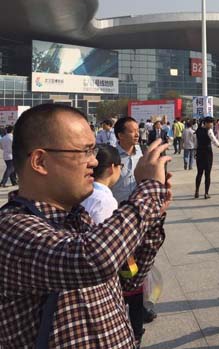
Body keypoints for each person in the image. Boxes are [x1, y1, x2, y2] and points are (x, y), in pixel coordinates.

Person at [0, 104, 171, 348]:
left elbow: (128, 279)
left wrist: (154, 218)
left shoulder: (79, 217)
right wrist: (148, 192)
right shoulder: (11, 229)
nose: (94, 161)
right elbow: (93, 260)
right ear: (40, 161)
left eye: (93, 150)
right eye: (84, 151)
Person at [82, 144, 148, 347]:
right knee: (134, 300)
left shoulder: (87, 193)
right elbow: (111, 243)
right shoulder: (104, 200)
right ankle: (135, 336)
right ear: (113, 168)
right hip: (111, 272)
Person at [112, 116, 144, 204]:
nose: (137, 135)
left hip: (138, 205)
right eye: (132, 131)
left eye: (137, 131)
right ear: (120, 135)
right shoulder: (111, 155)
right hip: (118, 207)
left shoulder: (143, 152)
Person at [194, 117, 219, 199]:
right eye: (211, 123)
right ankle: (206, 193)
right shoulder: (209, 130)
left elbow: (196, 142)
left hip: (199, 152)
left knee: (199, 172)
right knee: (207, 173)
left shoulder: (198, 130)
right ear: (206, 123)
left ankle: (196, 191)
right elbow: (214, 140)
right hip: (207, 153)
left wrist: (195, 152)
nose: (211, 124)